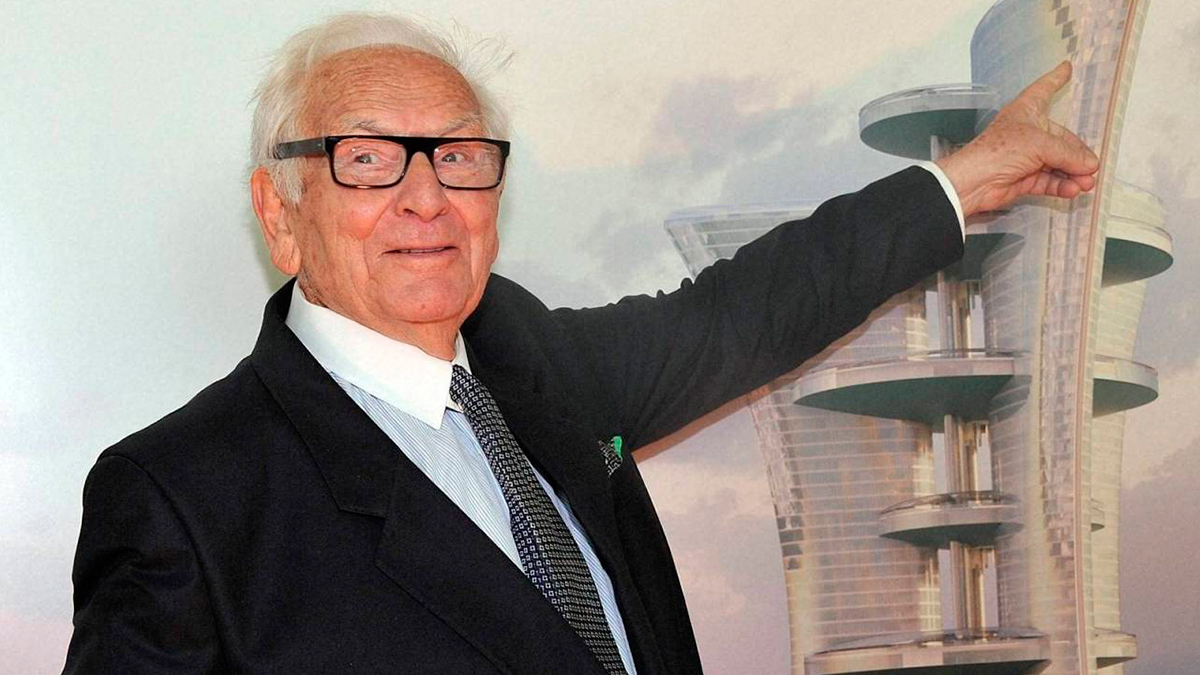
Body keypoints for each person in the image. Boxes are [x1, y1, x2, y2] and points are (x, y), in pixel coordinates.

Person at [62, 12, 1098, 675]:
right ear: (280, 213)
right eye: (368, 160)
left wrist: (965, 179)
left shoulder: (533, 358)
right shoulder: (183, 498)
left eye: (459, 156)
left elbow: (750, 309)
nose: (427, 197)